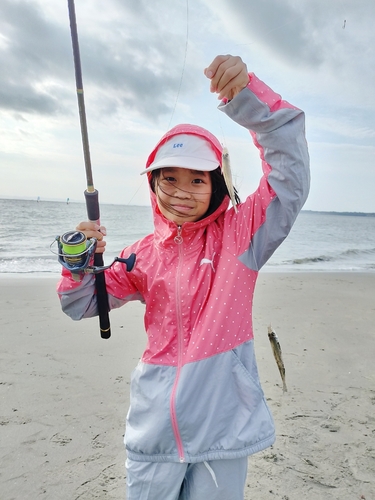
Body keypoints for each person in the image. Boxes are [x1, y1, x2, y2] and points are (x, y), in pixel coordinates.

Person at [57, 54, 310, 499]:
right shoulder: (140, 255)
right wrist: (79, 254)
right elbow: (80, 303)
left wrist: (248, 96)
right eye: (168, 178)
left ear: (216, 185)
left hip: (224, 429)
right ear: (153, 183)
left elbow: (289, 175)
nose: (180, 191)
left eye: (197, 180)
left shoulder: (241, 237)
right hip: (153, 431)